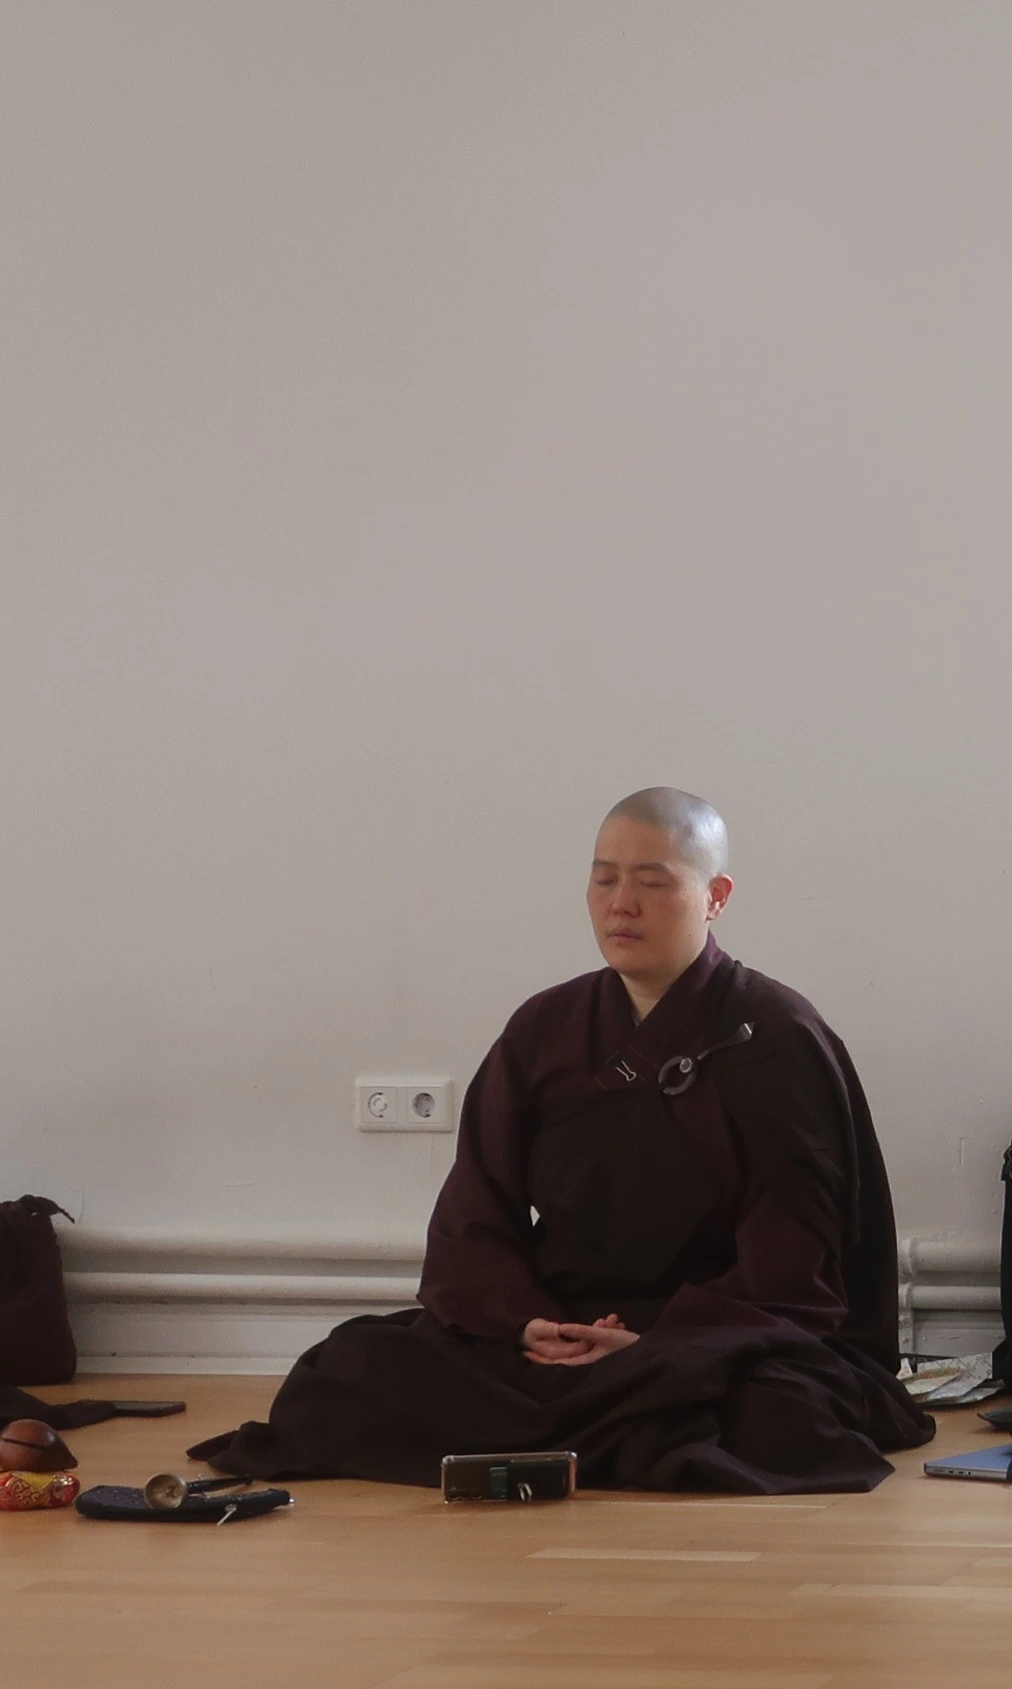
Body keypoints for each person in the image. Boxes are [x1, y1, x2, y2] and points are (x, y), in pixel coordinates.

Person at [190, 788, 933, 1493]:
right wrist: (527, 1322)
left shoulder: (777, 1036)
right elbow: (476, 1209)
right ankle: (609, 1429)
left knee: (781, 1408)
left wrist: (651, 1337)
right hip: (561, 1323)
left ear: (716, 895)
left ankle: (573, 1424)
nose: (621, 903)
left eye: (651, 882)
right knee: (344, 1367)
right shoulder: (546, 1029)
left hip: (708, 1335)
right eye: (603, 879)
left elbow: (795, 1255)